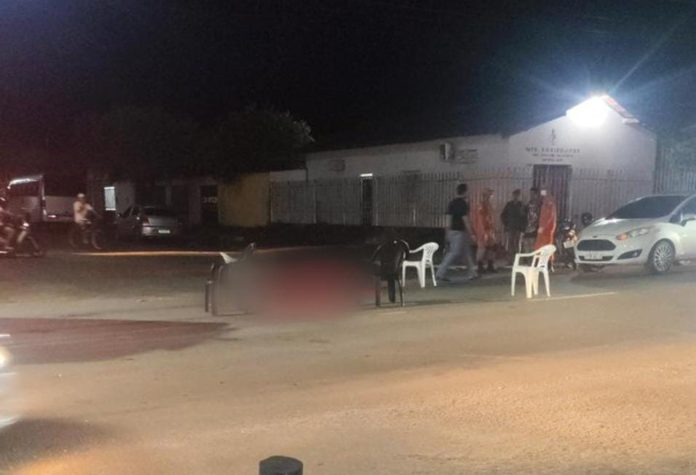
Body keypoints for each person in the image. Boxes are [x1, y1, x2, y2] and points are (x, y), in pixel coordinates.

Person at [435, 183, 477, 282]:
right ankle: (440, 273)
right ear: (465, 192)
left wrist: (447, 231)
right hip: (460, 232)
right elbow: (465, 219)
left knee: (466, 253)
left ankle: (472, 273)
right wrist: (472, 233)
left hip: (453, 231)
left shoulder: (452, 203)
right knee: (455, 253)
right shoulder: (463, 204)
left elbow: (448, 219)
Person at [472, 188, 497, 273]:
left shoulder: (489, 205)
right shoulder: (481, 206)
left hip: (490, 230)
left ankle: (490, 265)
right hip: (483, 230)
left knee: (491, 247)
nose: (491, 197)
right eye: (490, 195)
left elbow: (491, 218)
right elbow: (481, 219)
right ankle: (480, 266)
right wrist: (483, 231)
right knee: (482, 248)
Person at [500, 189, 526, 262]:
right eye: (514, 195)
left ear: (519, 196)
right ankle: (510, 260)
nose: (516, 197)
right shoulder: (509, 204)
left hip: (519, 228)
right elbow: (502, 215)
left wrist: (523, 228)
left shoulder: (522, 205)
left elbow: (525, 217)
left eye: (517, 195)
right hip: (510, 227)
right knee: (510, 244)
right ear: (512, 195)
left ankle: (517, 260)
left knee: (518, 243)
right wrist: (506, 224)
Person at [522, 187, 541, 252]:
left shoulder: (540, 204)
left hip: (536, 226)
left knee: (533, 243)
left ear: (536, 194)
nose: (531, 195)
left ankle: (533, 256)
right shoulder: (529, 203)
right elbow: (524, 213)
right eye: (530, 194)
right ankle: (528, 256)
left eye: (533, 194)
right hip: (528, 226)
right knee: (526, 242)